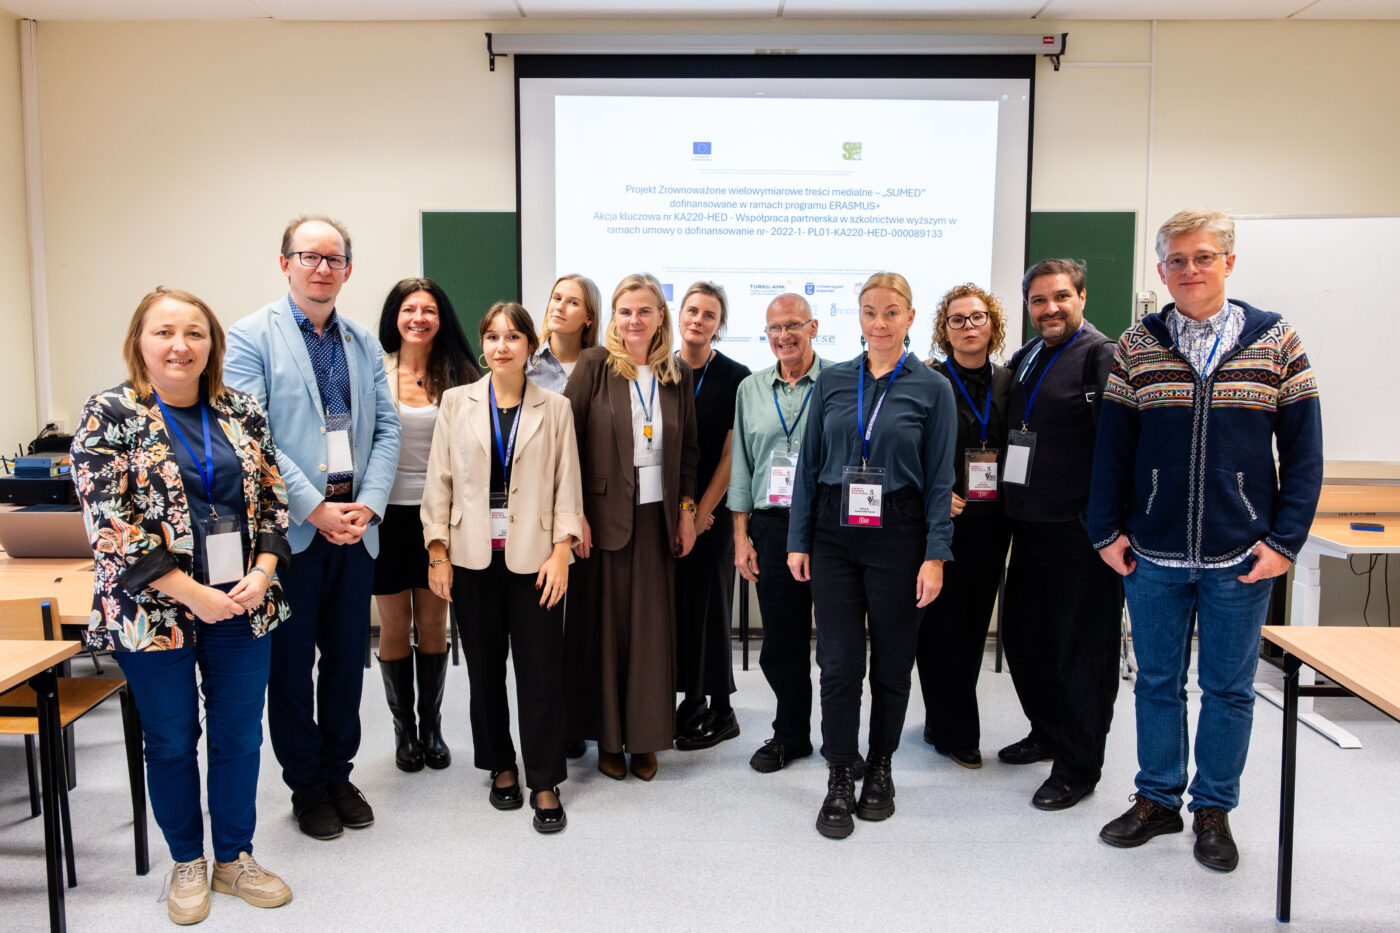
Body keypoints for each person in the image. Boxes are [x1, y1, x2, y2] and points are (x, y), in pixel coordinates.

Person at [1089, 209, 1323, 871]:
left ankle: (1213, 808)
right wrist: (1104, 530)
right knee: (1157, 683)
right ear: (1161, 269)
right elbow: (1112, 449)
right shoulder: (1138, 344)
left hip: (1242, 555)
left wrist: (1285, 540)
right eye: (1177, 260)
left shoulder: (1276, 340)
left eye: (1204, 257)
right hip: (1153, 552)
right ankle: (1157, 797)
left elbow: (1305, 454)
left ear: (1228, 262)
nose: (1190, 270)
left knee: (1228, 688)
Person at [72, 287, 293, 924]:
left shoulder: (241, 410)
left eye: (195, 332)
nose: (180, 345)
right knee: (170, 741)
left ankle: (233, 858)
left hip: (245, 602)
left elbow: (273, 503)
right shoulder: (108, 413)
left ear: (212, 344)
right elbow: (111, 525)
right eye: (165, 331)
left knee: (239, 736)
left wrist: (263, 569)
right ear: (139, 341)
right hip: (153, 609)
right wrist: (193, 593)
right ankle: (187, 862)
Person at [225, 215, 401, 841]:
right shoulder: (249, 338)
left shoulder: (359, 341)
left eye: (334, 258)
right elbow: (255, 440)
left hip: (356, 530)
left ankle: (339, 771)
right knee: (292, 668)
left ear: (348, 269)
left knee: (347, 662)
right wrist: (314, 509)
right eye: (310, 256)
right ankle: (306, 784)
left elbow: (386, 430)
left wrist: (368, 505)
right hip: (295, 536)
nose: (322, 267)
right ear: (286, 263)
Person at [787, 272, 956, 839]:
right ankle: (840, 772)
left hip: (899, 532)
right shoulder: (835, 381)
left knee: (890, 661)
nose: (878, 323)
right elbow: (809, 467)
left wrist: (935, 554)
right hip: (834, 532)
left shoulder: (932, 387)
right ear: (856, 319)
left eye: (890, 312)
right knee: (837, 661)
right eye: (868, 312)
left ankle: (880, 767)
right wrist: (797, 540)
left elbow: (939, 479)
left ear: (909, 318)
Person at [421, 301, 583, 833]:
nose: (501, 347)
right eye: (492, 337)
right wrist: (438, 553)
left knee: (541, 671)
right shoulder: (456, 402)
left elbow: (567, 486)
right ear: (482, 343)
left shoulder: (554, 408)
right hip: (471, 557)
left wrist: (562, 550)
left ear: (529, 346)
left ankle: (543, 777)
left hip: (535, 559)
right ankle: (501, 766)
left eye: (513, 337)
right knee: (486, 670)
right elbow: (439, 482)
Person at [563, 273, 699, 782]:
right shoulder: (596, 366)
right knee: (605, 631)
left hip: (657, 515)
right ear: (613, 317)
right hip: (602, 518)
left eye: (645, 310)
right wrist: (573, 513)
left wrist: (686, 509)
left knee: (650, 632)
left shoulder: (676, 372)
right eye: (625, 311)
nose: (634, 320)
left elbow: (688, 451)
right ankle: (608, 737)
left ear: (661, 316)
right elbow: (567, 442)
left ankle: (644, 736)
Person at [998, 258, 1122, 812]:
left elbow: (1120, 450)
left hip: (1081, 536)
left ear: (1082, 298)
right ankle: (1047, 731)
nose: (1049, 309)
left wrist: (1105, 526)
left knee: (1082, 655)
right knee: (1028, 643)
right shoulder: (1026, 358)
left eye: (1061, 297)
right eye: (1038, 300)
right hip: (1030, 529)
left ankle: (1079, 765)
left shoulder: (1103, 357)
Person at [373, 278, 480, 773]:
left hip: (440, 516)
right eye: (409, 309)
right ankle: (404, 733)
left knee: (435, 621)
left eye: (429, 310)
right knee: (394, 623)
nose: (419, 318)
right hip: (385, 514)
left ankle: (432, 727)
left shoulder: (461, 373)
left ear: (442, 318)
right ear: (395, 316)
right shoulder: (374, 370)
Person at [729, 293, 828, 773]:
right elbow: (743, 468)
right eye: (774, 329)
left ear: (814, 327)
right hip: (770, 526)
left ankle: (841, 738)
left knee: (836, 643)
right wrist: (740, 536)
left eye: (793, 325)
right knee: (782, 644)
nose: (784, 336)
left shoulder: (839, 382)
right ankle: (791, 734)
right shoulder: (750, 388)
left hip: (827, 526)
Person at [916, 284, 1013, 769]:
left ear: (991, 324)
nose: (968, 326)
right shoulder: (931, 381)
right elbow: (911, 447)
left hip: (992, 524)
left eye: (977, 317)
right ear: (944, 329)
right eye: (957, 319)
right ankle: (956, 729)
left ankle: (944, 720)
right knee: (937, 627)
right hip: (941, 521)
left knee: (972, 626)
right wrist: (937, 492)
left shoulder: (1009, 381)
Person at [673, 282, 751, 750]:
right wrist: (683, 514)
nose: (698, 320)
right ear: (678, 315)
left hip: (713, 514)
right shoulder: (662, 370)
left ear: (719, 326)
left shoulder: (736, 377)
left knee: (709, 605)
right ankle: (689, 699)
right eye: (692, 310)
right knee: (674, 606)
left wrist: (701, 514)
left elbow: (730, 454)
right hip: (669, 510)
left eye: (709, 314)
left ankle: (720, 708)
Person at [526, 273, 601, 394]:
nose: (559, 307)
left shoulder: (602, 366)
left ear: (589, 318)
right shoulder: (525, 360)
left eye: (573, 302)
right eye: (556, 298)